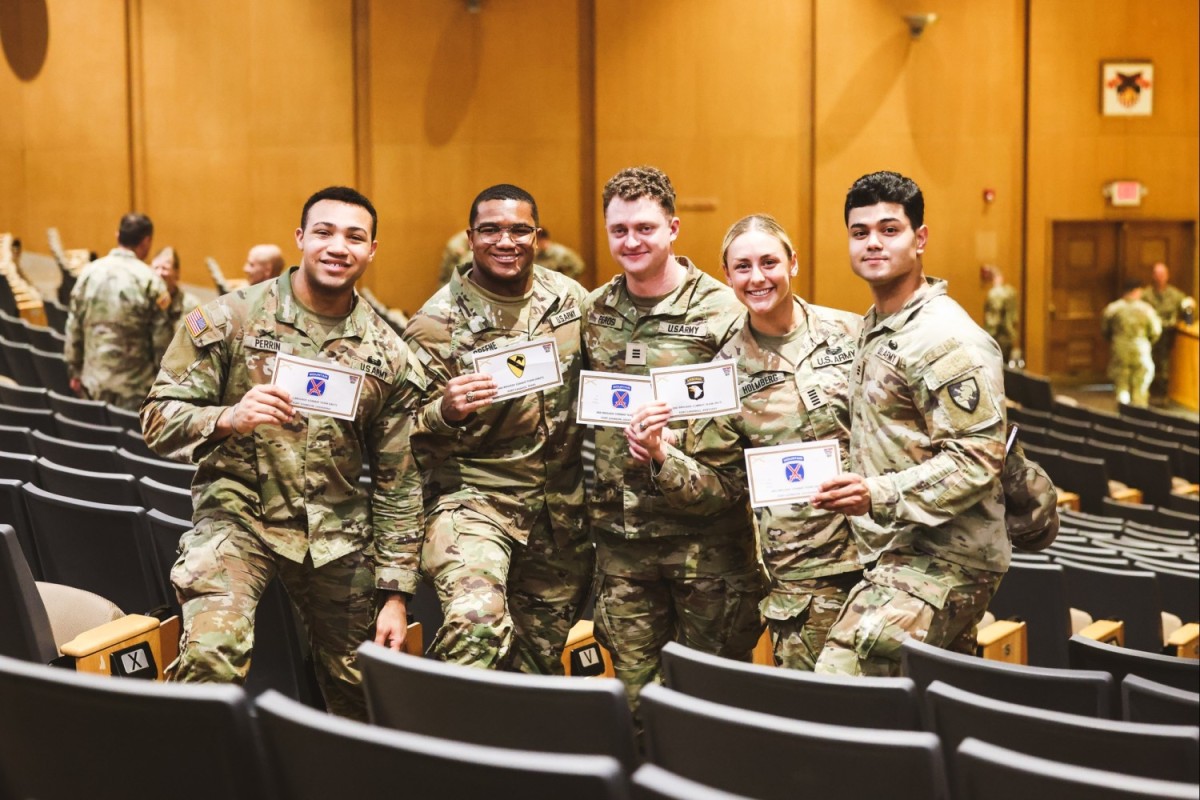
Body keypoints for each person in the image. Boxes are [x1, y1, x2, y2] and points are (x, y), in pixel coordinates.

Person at [141, 186, 426, 720]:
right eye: (323, 232)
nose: (337, 247)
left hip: (336, 534)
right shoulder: (230, 319)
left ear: (371, 251)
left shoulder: (387, 355)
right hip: (238, 515)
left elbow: (399, 481)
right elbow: (156, 419)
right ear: (300, 239)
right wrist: (226, 417)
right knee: (210, 658)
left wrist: (395, 594)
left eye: (354, 237)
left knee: (366, 688)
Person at [626, 214, 862, 670]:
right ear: (727, 275)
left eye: (769, 262)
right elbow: (720, 485)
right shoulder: (724, 373)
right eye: (743, 266)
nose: (757, 277)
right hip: (806, 576)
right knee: (824, 724)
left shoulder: (853, 333)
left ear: (793, 263)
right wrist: (660, 454)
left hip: (885, 555)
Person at [810, 170, 1009, 677]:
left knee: (836, 688)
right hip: (901, 548)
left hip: (944, 557)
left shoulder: (943, 339)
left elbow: (978, 459)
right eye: (860, 233)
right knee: (917, 706)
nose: (872, 243)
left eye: (889, 229)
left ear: (919, 239)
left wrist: (876, 494)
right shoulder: (881, 325)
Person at [582, 166, 762, 709]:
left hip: (706, 544)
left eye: (645, 228)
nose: (631, 241)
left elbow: (749, 421)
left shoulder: (725, 313)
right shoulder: (596, 312)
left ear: (674, 228)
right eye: (619, 230)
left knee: (713, 701)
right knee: (634, 704)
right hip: (623, 546)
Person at [404, 184, 592, 673]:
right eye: (490, 230)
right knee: (477, 626)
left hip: (558, 512)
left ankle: (518, 746)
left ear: (537, 236)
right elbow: (396, 435)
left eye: (518, 230)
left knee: (541, 662)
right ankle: (435, 743)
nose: (505, 241)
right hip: (474, 504)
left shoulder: (568, 298)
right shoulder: (434, 324)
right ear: (470, 237)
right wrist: (443, 411)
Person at [64, 213, 173, 410]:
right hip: (135, 390)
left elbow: (74, 327)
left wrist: (74, 370)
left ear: (117, 236)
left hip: (92, 384)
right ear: (146, 241)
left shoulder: (89, 273)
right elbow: (161, 344)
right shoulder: (151, 282)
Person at [1102, 279, 1161, 408]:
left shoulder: (1113, 309)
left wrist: (1115, 340)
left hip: (1120, 347)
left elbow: (1105, 330)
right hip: (1140, 348)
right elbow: (1156, 331)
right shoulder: (1146, 309)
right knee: (1141, 383)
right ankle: (1138, 412)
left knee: (1121, 382)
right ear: (1136, 291)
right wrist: (1147, 341)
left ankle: (1122, 410)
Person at [1142, 262, 1188, 400]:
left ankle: (1163, 393)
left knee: (1165, 365)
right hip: (1149, 336)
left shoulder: (1176, 295)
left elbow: (1188, 310)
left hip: (1168, 336)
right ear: (1152, 276)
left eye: (1163, 274)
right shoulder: (1145, 295)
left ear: (1167, 276)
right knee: (1147, 364)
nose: (1160, 277)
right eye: (1157, 274)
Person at [151, 246, 201, 329]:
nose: (159, 273)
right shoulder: (146, 303)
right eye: (156, 268)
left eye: (165, 268)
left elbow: (202, 338)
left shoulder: (192, 306)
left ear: (177, 273)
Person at [983, 265, 1019, 365]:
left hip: (998, 337)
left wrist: (986, 338)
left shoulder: (995, 294)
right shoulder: (1010, 293)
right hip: (1008, 337)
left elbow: (993, 320)